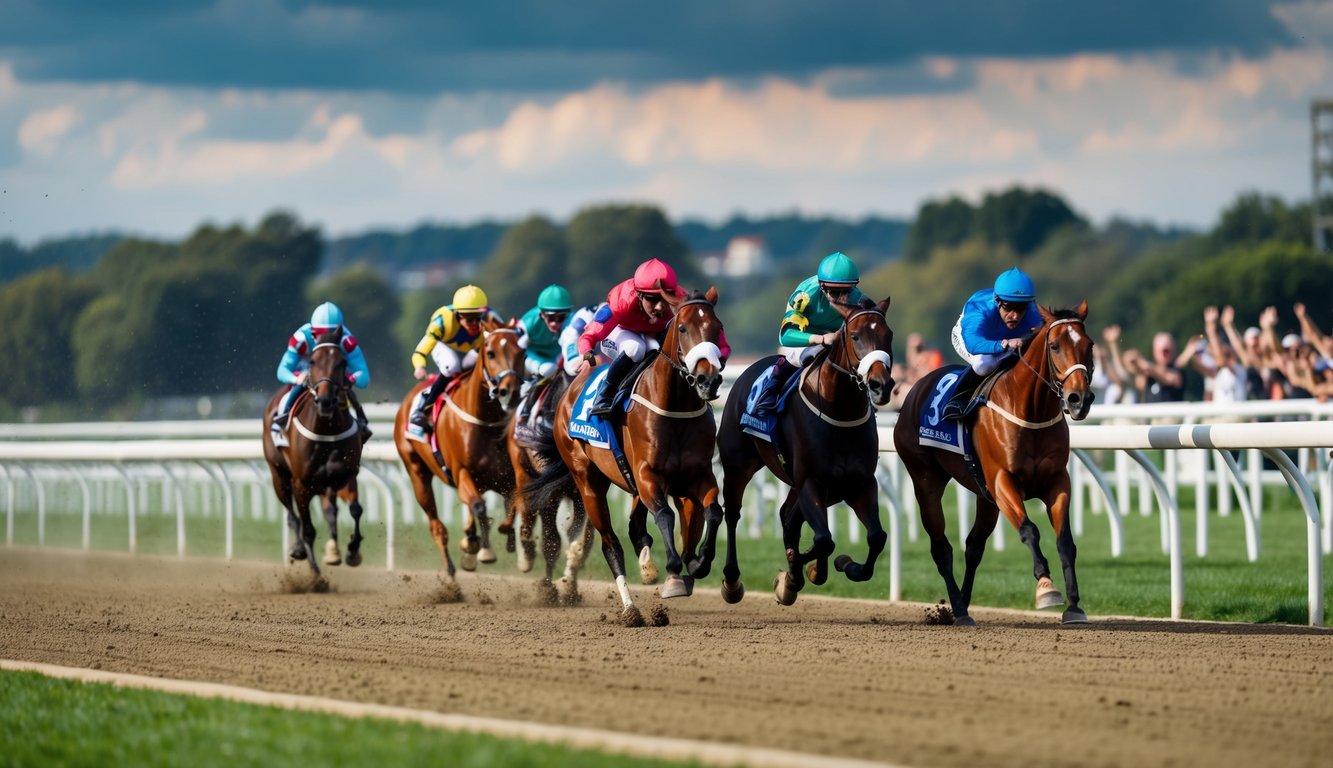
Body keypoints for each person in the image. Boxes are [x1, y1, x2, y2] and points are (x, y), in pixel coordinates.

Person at [576, 258, 730, 416]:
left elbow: (715, 334)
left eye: (665, 298)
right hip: (620, 332)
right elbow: (590, 334)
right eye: (652, 299)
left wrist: (721, 355)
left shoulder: (681, 301)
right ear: (639, 295)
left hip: (652, 334)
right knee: (635, 348)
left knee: (662, 351)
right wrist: (587, 353)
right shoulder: (621, 302)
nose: (660, 306)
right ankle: (605, 395)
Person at [749, 251, 866, 420]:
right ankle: (767, 396)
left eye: (845, 291)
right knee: (797, 356)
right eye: (834, 292)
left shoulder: (859, 299)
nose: (841, 298)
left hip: (837, 338)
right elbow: (786, 335)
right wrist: (821, 339)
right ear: (822, 287)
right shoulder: (805, 296)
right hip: (803, 338)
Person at [940, 266, 1043, 420]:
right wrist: (1004, 344)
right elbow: (973, 344)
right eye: (1008, 307)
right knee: (984, 364)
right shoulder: (980, 307)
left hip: (1008, 340)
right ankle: (957, 400)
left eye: (1021, 309)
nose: (1014, 315)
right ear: (997, 301)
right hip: (974, 340)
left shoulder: (1033, 313)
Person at [406, 284, 503, 439]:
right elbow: (420, 352)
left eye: (478, 318)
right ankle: (421, 409)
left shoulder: (491, 317)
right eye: (469, 319)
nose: (475, 324)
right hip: (444, 346)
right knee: (452, 365)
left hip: (474, 349)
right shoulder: (441, 322)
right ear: (457, 315)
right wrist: (419, 367)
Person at [271, 301, 372, 448]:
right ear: (312, 333)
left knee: (342, 386)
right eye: (321, 335)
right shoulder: (301, 339)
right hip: (307, 369)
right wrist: (296, 378)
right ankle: (282, 420)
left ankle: (361, 422)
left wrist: (350, 378)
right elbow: (282, 371)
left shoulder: (346, 341)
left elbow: (364, 378)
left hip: (334, 372)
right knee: (301, 383)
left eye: (332, 334)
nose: (327, 338)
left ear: (340, 331)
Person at [517, 284, 574, 380]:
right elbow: (517, 351)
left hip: (558, 358)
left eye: (561, 318)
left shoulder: (573, 322)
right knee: (547, 369)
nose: (554, 323)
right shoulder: (528, 322)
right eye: (551, 318)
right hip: (532, 358)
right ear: (542, 315)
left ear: (567, 315)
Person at [559, 302, 608, 377]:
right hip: (575, 343)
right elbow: (573, 366)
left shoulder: (613, 308)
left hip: (594, 345)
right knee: (575, 366)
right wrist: (593, 360)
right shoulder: (574, 330)